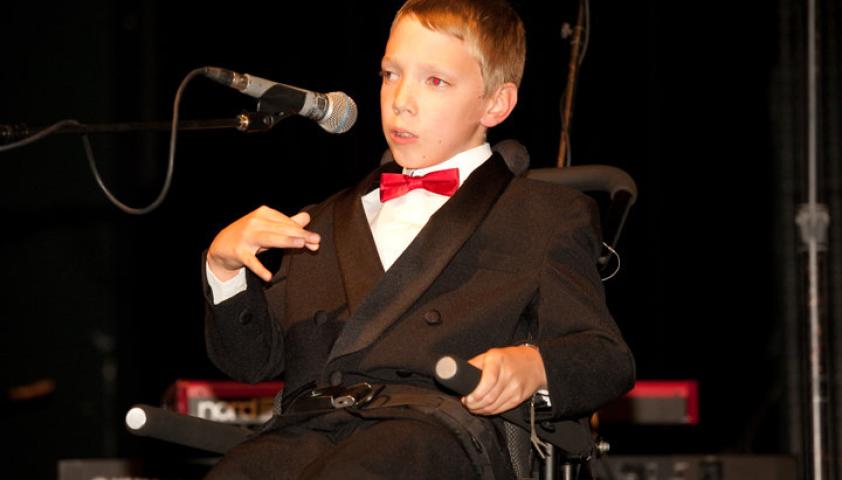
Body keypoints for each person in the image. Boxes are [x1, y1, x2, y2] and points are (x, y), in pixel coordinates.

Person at [201, 0, 635, 478]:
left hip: (436, 434)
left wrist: (534, 366)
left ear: (497, 103)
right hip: (308, 433)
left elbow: (605, 355)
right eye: (390, 74)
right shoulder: (319, 221)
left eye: (436, 81)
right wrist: (225, 270)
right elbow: (252, 363)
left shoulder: (541, 215)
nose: (401, 99)